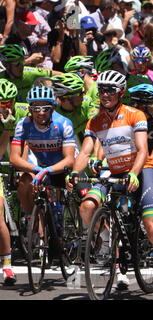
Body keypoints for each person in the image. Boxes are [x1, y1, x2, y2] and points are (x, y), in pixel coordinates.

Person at [65, 70, 153, 299]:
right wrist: (75, 172)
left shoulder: (134, 114)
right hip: (112, 172)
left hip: (141, 171)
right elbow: (86, 150)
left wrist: (136, 173)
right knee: (87, 207)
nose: (105, 94)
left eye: (110, 90)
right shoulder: (95, 121)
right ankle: (107, 241)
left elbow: (142, 150)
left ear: (120, 92)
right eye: (102, 89)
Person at [10, 86, 75, 272]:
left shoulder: (64, 123)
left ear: (52, 108)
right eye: (35, 108)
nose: (40, 112)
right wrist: (36, 169)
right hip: (38, 165)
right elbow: (15, 158)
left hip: (59, 166)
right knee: (25, 181)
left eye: (45, 108)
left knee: (61, 208)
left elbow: (69, 159)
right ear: (30, 108)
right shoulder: (23, 124)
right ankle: (33, 218)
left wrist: (48, 170)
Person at [0, 79, 30, 286]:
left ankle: (7, 265)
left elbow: (24, 142)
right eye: (2, 102)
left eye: (10, 101)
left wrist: (23, 166)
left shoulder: (20, 112)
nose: (7, 106)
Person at [50, 73, 99, 143]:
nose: (84, 94)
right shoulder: (54, 117)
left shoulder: (86, 102)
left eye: (83, 91)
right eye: (80, 93)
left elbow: (98, 122)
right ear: (66, 98)